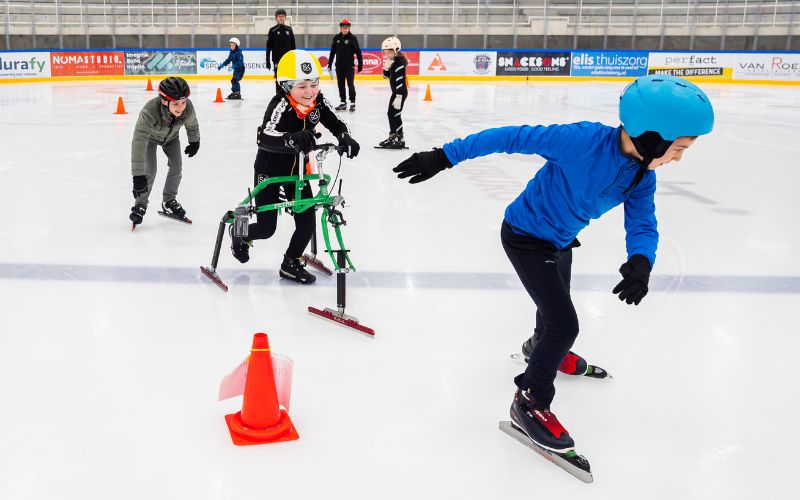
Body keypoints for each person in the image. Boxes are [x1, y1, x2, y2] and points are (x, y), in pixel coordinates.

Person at [392, 75, 714, 453]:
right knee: (565, 323)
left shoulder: (642, 176)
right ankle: (530, 401)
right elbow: (511, 136)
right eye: (678, 148)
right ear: (651, 137)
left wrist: (641, 261)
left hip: (560, 240)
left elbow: (643, 222)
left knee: (553, 309)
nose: (678, 157)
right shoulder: (580, 141)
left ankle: (538, 347)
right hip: (525, 237)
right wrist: (445, 156)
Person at [230, 49, 361, 284]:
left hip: (299, 169)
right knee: (267, 227)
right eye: (302, 86)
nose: (310, 92)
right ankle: (238, 234)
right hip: (270, 169)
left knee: (307, 222)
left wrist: (345, 138)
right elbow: (265, 136)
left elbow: (336, 122)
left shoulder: (318, 101)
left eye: (314, 84)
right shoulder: (280, 104)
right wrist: (291, 138)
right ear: (286, 86)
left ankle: (290, 262)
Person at [129, 76, 200, 228]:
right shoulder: (149, 112)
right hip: (150, 139)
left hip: (171, 138)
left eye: (183, 102)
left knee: (177, 167)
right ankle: (140, 204)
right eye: (175, 103)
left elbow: (192, 124)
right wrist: (137, 175)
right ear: (164, 101)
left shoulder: (187, 108)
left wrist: (194, 141)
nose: (181, 107)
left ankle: (169, 201)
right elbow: (139, 142)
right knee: (150, 171)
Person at [377, 37, 408, 149]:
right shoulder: (393, 61)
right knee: (395, 114)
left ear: (396, 50)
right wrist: (386, 68)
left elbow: (400, 80)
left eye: (389, 52)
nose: (387, 54)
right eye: (385, 52)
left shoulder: (399, 63)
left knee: (392, 114)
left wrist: (398, 96)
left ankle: (394, 136)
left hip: (400, 92)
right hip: (397, 92)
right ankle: (399, 138)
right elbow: (386, 76)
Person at [327, 18, 362, 111]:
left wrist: (360, 64)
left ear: (349, 28)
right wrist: (329, 63)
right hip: (339, 66)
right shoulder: (336, 38)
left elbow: (358, 52)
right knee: (340, 84)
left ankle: (352, 103)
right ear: (341, 28)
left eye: (347, 27)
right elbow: (332, 52)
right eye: (343, 27)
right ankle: (343, 102)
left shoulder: (353, 38)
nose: (345, 29)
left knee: (350, 84)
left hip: (349, 66)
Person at [265, 8, 296, 94]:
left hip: (288, 60)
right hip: (277, 60)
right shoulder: (272, 30)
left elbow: (293, 46)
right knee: (278, 79)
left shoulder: (289, 30)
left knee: (289, 79)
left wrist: (294, 59)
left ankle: (289, 97)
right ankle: (279, 98)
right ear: (276, 18)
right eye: (279, 16)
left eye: (283, 16)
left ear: (285, 17)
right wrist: (267, 60)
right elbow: (268, 47)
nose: (281, 18)